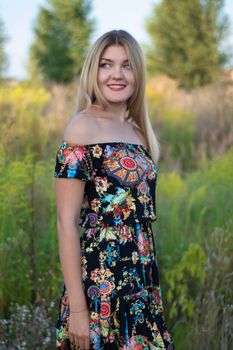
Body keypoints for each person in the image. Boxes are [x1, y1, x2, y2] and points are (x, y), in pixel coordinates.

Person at [54, 29, 174, 350]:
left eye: (126, 65)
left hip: (141, 285)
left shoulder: (137, 131)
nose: (116, 75)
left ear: (138, 73)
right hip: (100, 286)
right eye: (106, 65)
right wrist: (79, 310)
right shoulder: (82, 127)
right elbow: (66, 223)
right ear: (93, 72)